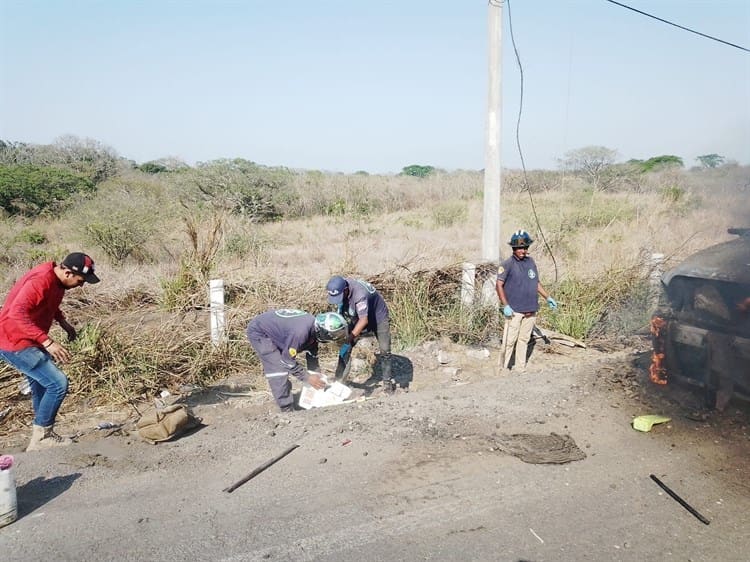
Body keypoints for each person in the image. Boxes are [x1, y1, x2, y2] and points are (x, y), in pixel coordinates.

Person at [0, 252, 100, 451]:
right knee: (58, 383)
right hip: (15, 341)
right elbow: (16, 313)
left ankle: (40, 435)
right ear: (69, 273)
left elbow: (49, 303)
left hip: (28, 339)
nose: (81, 286)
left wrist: (63, 322)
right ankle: (43, 435)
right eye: (81, 281)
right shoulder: (40, 280)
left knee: (41, 385)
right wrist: (47, 342)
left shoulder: (57, 281)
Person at [246, 309, 346, 412]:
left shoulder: (312, 328)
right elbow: (287, 360)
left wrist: (317, 376)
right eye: (331, 336)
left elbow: (312, 356)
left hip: (278, 332)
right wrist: (307, 377)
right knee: (278, 370)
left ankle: (288, 399)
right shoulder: (301, 332)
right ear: (323, 331)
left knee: (284, 364)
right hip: (260, 332)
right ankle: (286, 409)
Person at [495, 230, 557, 372]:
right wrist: (506, 305)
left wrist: (548, 297)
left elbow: (535, 282)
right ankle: (502, 368)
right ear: (514, 248)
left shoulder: (531, 262)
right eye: (520, 248)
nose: (523, 250)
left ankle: (520, 368)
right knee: (509, 341)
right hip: (514, 311)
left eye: (525, 247)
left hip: (531, 309)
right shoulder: (507, 264)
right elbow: (499, 285)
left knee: (523, 340)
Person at [325, 275, 394, 393]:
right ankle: (339, 382)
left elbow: (364, 321)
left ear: (346, 290)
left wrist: (351, 337)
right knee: (345, 348)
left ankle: (387, 384)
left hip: (378, 317)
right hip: (358, 315)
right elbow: (341, 314)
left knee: (384, 350)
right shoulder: (342, 287)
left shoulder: (359, 294)